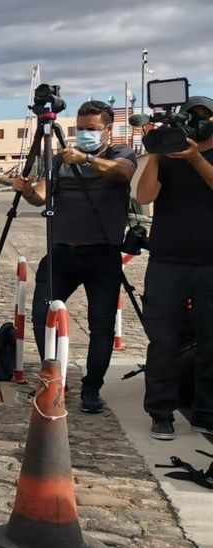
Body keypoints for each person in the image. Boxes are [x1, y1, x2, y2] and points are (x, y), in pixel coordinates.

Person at [11, 100, 137, 414]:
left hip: (102, 255)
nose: (83, 134)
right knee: (42, 316)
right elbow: (41, 196)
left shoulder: (118, 154)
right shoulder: (61, 160)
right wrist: (25, 190)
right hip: (62, 254)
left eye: (91, 129)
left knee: (102, 325)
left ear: (107, 129)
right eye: (80, 129)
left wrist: (87, 159)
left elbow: (123, 174)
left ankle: (92, 388)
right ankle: (54, 380)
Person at [136, 96, 213, 440]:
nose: (197, 123)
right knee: (163, 341)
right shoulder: (165, 158)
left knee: (211, 342)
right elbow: (144, 196)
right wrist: (156, 149)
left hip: (210, 263)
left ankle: (206, 410)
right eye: (191, 117)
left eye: (204, 117)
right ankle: (161, 412)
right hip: (167, 261)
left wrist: (196, 157)